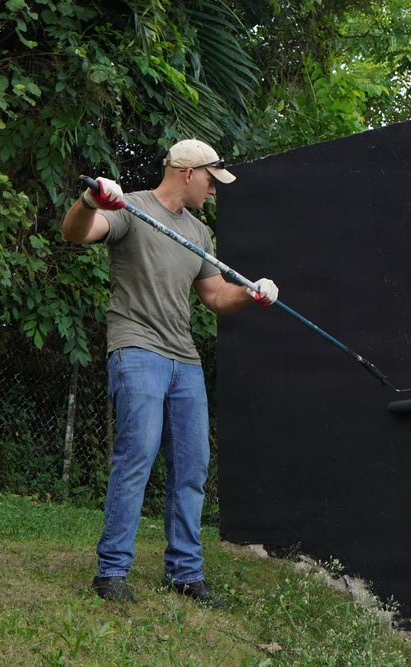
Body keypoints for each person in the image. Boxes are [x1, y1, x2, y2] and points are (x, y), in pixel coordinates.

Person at [61, 139, 278, 606]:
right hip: (137, 347)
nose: (214, 191)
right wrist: (89, 200)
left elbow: (217, 295)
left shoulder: (199, 233)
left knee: (192, 467)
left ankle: (184, 573)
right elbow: (76, 233)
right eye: (211, 180)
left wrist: (251, 294)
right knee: (136, 456)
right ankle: (112, 571)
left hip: (184, 359)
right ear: (186, 172)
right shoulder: (131, 208)